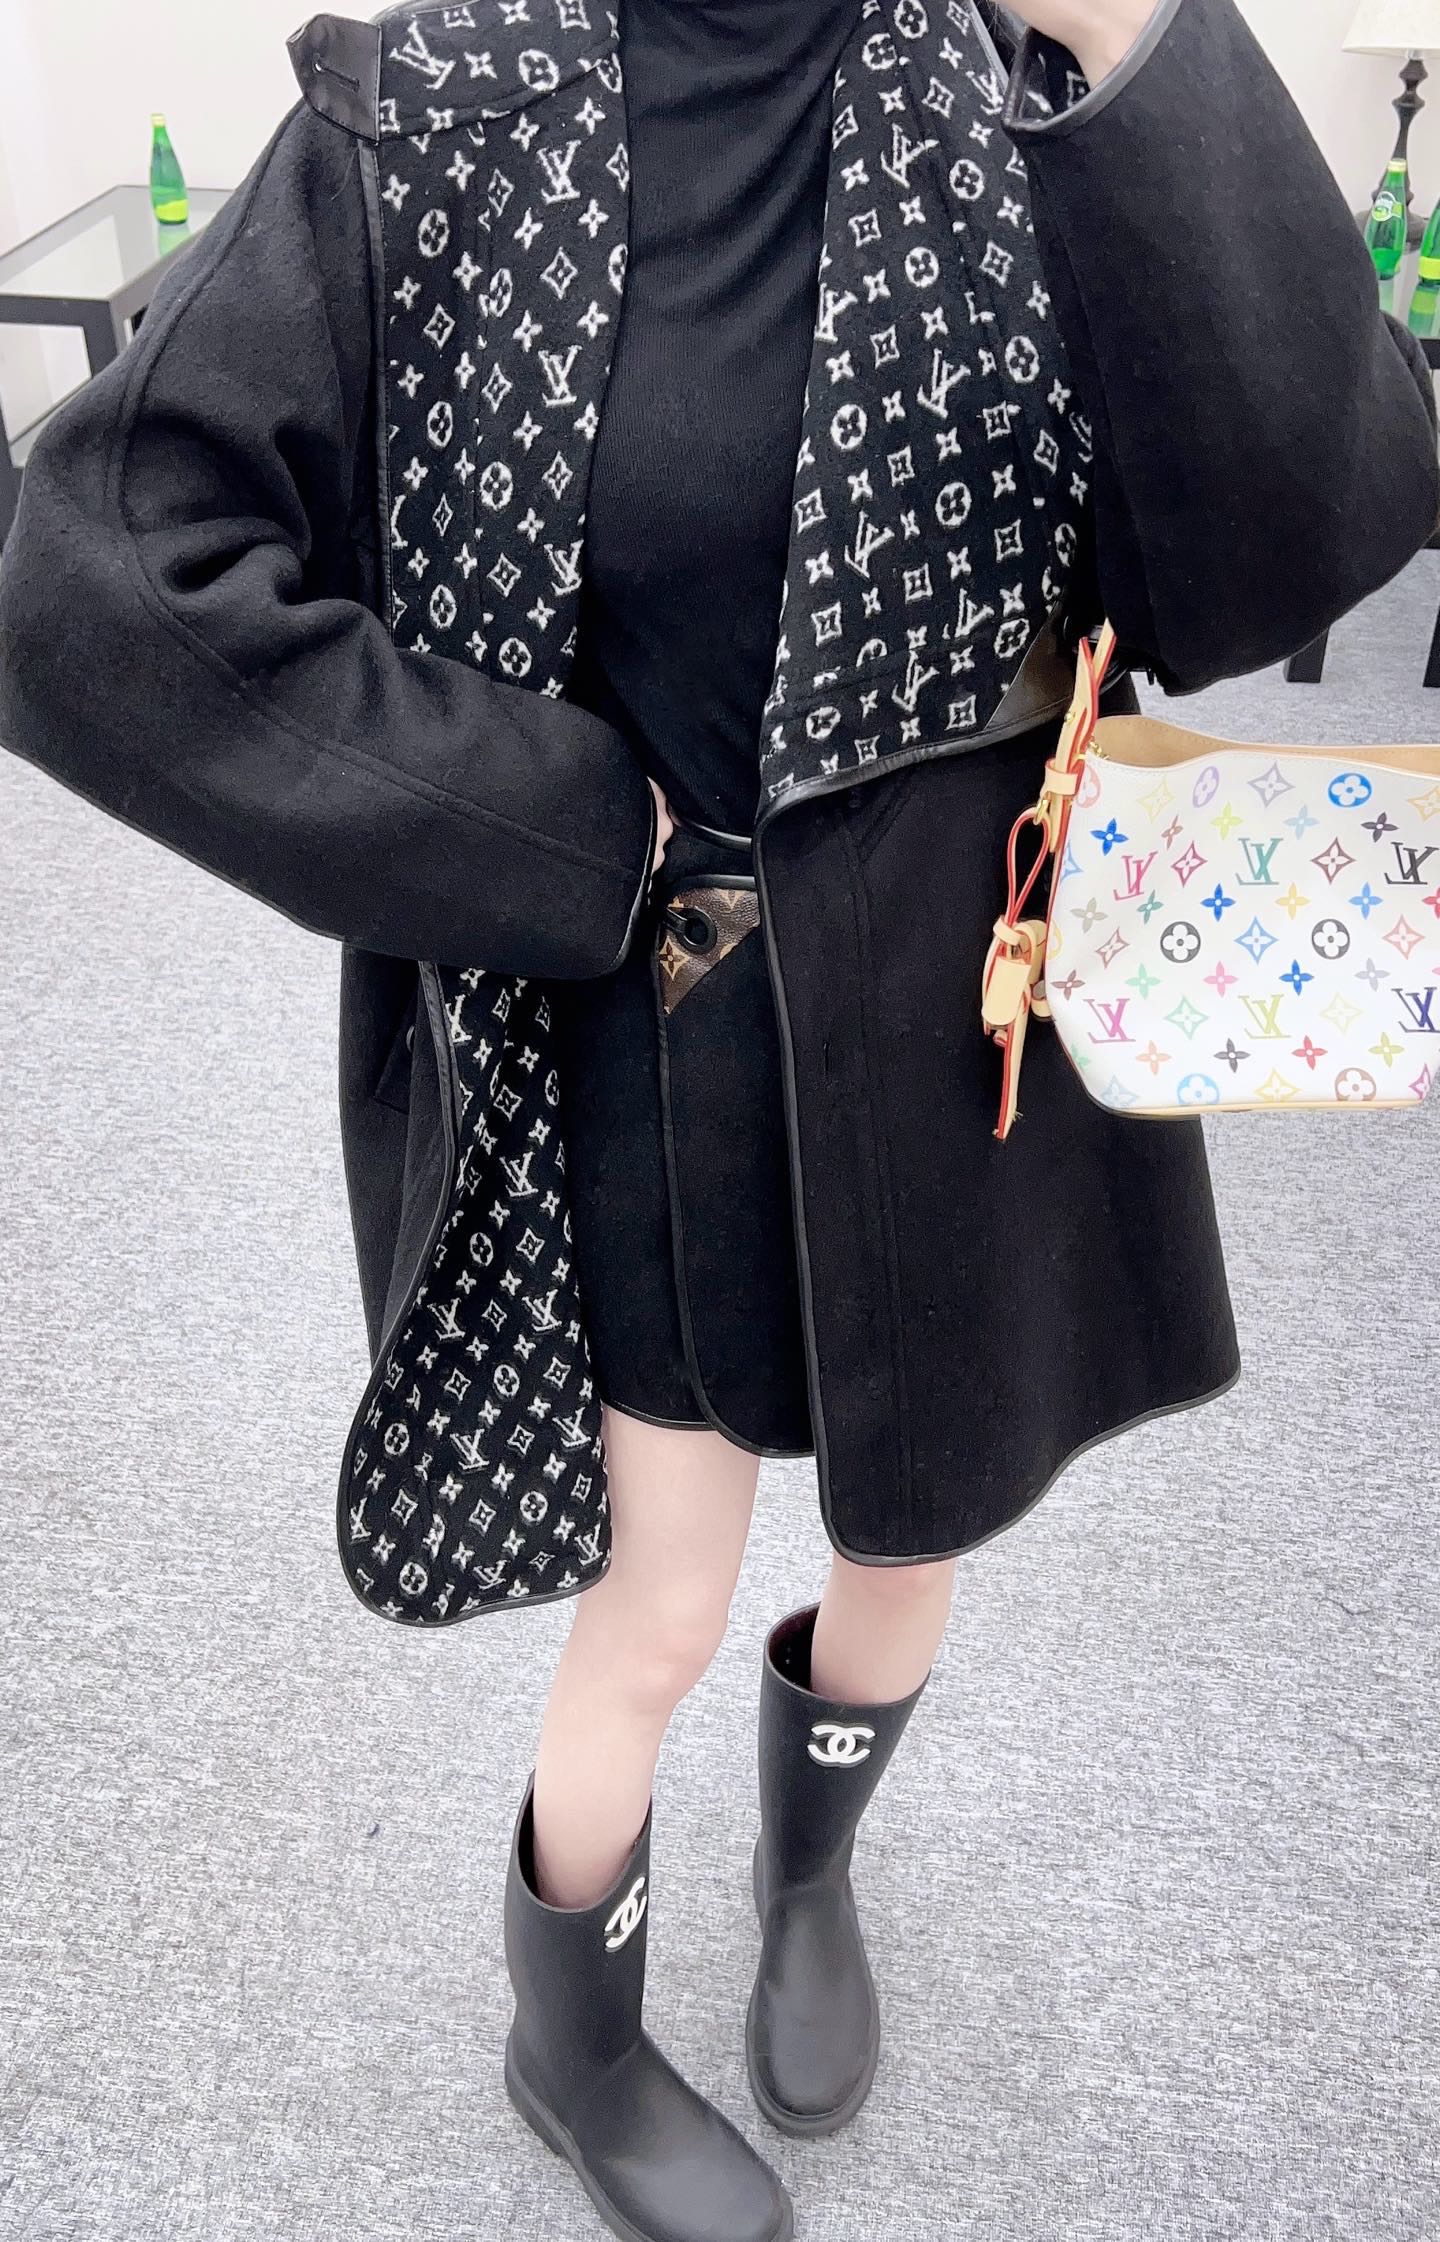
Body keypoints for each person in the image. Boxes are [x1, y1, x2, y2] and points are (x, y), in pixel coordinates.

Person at [1, 0, 1435, 2236]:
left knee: (912, 1534)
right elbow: (90, 578)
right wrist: (543, 825)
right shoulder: (442, 105)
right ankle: (568, 2036)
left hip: (965, 1003)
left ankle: (814, 1869)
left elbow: (1304, 530)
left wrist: (1130, 48)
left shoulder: (1010, 82)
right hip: (649, 1009)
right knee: (659, 1599)